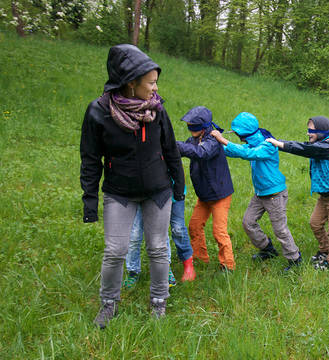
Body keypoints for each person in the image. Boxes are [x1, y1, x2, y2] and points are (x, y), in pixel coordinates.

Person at [80, 44, 185, 328]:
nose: (154, 88)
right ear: (130, 82)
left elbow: (171, 149)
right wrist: (89, 200)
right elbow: (91, 160)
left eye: (155, 82)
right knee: (115, 250)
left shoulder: (157, 109)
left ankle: (159, 302)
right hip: (119, 193)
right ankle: (108, 304)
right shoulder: (98, 112)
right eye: (150, 83)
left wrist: (179, 187)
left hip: (158, 191)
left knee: (157, 248)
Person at [211, 112, 302, 271]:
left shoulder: (267, 144)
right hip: (260, 193)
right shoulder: (253, 142)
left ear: (246, 133)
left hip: (275, 195)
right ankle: (267, 249)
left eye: (239, 134)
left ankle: (295, 259)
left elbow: (248, 154)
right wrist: (216, 145)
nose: (239, 137)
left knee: (280, 229)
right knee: (248, 222)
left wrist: (222, 139)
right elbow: (238, 150)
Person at [267, 116, 329, 270]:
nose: (308, 133)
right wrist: (276, 141)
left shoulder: (328, 147)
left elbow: (304, 149)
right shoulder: (319, 144)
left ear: (322, 131)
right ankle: (324, 250)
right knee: (315, 224)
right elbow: (305, 145)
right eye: (308, 129)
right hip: (325, 195)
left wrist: (279, 144)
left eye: (312, 130)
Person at [177, 106, 236, 273]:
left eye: (192, 125)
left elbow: (201, 153)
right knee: (194, 226)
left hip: (220, 195)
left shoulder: (213, 141)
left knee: (219, 232)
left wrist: (177, 146)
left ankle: (227, 265)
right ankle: (200, 257)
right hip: (204, 195)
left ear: (202, 126)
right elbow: (187, 149)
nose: (189, 128)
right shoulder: (193, 140)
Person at [123, 186, 194, 289]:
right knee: (134, 235)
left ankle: (171, 267)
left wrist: (178, 193)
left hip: (167, 193)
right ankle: (133, 272)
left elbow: (177, 171)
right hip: (140, 194)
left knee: (170, 230)